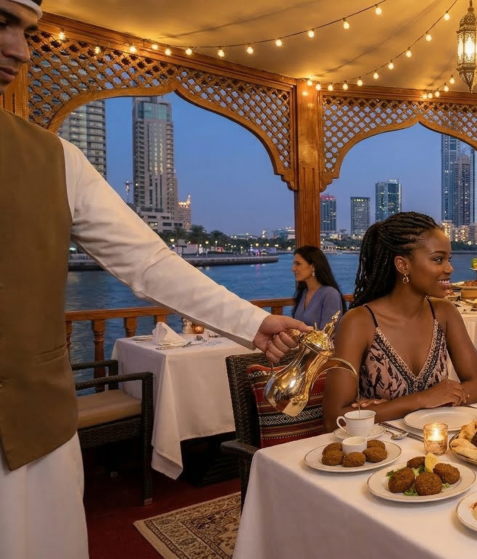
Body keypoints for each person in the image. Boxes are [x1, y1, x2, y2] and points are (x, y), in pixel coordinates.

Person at [0, 2, 308, 557]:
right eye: (2, 22)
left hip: (32, 434)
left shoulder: (53, 159)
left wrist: (253, 323)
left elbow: (149, 263)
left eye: (26, 31)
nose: (20, 52)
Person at [324, 212, 477, 428]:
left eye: (448, 259)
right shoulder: (359, 322)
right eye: (438, 259)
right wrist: (423, 399)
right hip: (382, 452)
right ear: (403, 265)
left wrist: (381, 409)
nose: (449, 268)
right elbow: (334, 419)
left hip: (436, 445)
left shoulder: (444, 313)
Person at [291, 245, 343, 328]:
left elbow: (327, 333)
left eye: (298, 264)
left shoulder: (330, 294)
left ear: (313, 267)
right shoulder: (304, 292)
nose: (293, 268)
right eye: (294, 264)